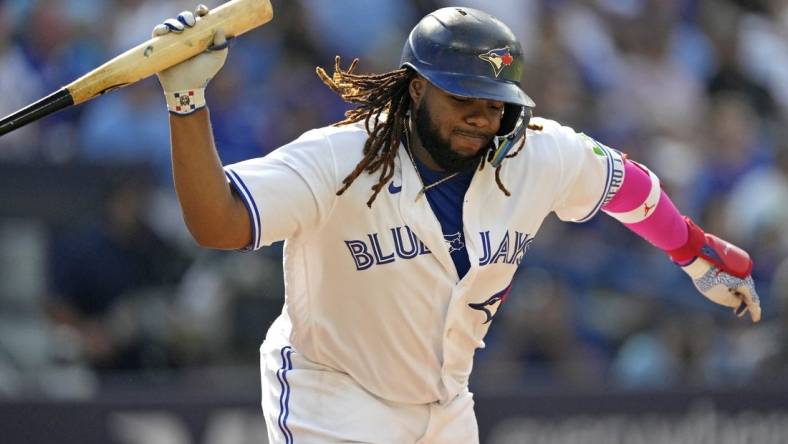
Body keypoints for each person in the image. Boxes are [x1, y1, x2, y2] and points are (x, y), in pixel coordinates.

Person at [153, 5, 762, 443]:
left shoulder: (537, 152)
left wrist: (693, 251)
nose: (481, 117)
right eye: (463, 98)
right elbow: (220, 224)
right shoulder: (340, 157)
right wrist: (188, 103)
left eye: (495, 103)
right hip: (333, 397)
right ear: (416, 90)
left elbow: (627, 187)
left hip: (445, 405)